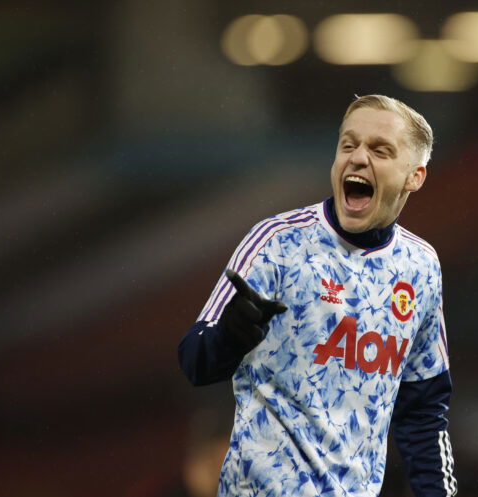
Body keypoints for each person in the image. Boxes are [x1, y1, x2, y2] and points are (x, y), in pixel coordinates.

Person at [178, 95, 457, 497]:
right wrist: (230, 336)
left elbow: (423, 413)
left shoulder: (421, 267)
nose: (358, 158)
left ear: (415, 176)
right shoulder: (276, 242)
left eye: (380, 150)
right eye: (349, 144)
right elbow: (194, 361)